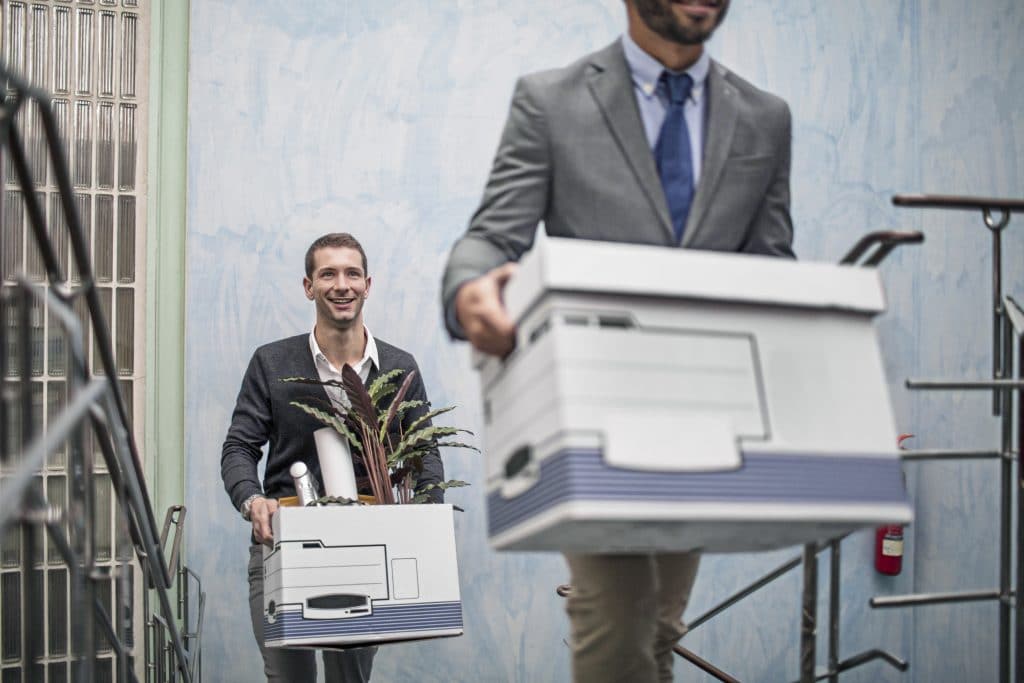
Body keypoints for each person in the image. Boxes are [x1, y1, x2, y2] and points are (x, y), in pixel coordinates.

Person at [441, 1, 794, 680]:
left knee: (657, 622)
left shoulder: (765, 118)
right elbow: (492, 234)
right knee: (618, 613)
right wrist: (469, 288)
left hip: (705, 415)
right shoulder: (551, 102)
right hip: (591, 415)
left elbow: (772, 260)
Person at [222, 232, 445, 682]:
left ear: (368, 284)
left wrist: (420, 521)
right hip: (282, 546)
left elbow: (427, 456)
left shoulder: (401, 368)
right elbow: (239, 448)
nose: (341, 284)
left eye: (351, 273)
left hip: (365, 551)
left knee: (349, 679)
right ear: (309, 286)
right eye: (328, 273)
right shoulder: (271, 361)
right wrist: (253, 501)